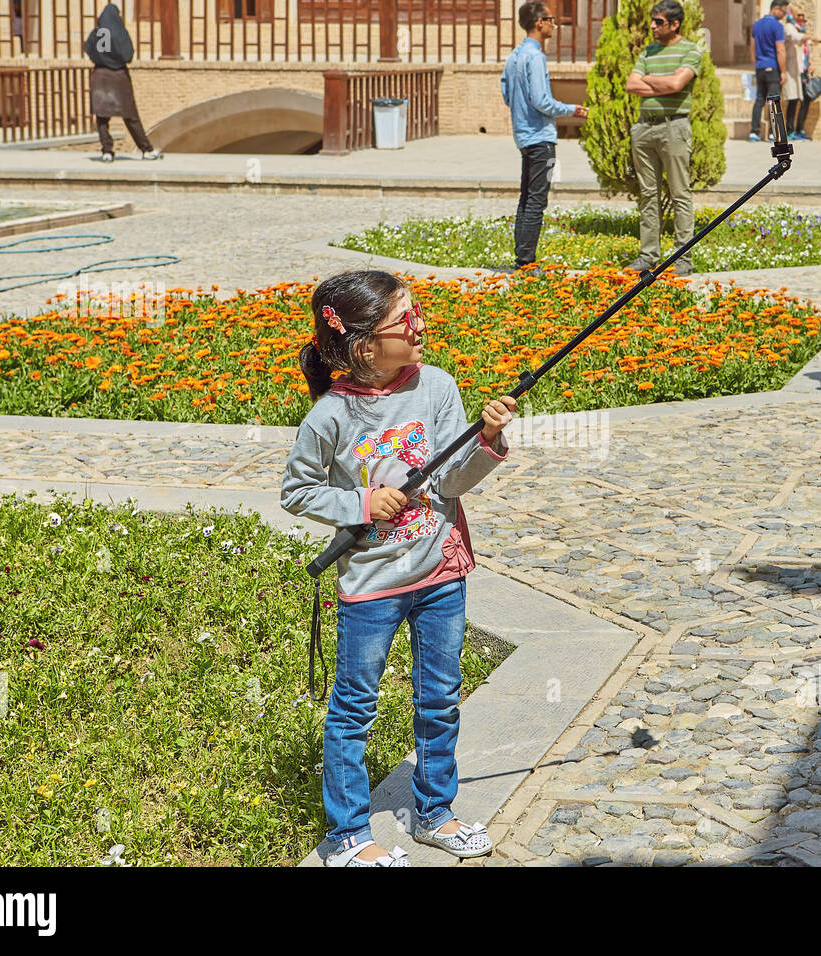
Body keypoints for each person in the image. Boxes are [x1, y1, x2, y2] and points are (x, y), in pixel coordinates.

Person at [281, 270, 517, 867]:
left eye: (417, 314)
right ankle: (347, 837)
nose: (419, 326)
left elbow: (451, 479)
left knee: (439, 698)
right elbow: (298, 491)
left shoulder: (436, 387)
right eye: (403, 321)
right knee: (354, 707)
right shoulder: (330, 415)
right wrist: (361, 504)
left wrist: (486, 440)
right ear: (363, 342)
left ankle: (435, 812)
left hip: (440, 571)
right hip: (371, 585)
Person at [500, 1, 588, 270]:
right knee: (537, 199)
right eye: (551, 19)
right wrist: (572, 109)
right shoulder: (535, 57)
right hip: (541, 137)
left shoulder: (515, 55)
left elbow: (507, 94)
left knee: (526, 197)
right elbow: (542, 100)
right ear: (539, 22)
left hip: (524, 135)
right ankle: (526, 261)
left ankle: (522, 256)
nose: (554, 25)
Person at [625, 0, 703, 276]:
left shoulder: (691, 50)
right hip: (643, 128)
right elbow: (631, 84)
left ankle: (683, 258)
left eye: (658, 21)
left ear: (674, 24)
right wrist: (664, 83)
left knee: (679, 194)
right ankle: (648, 256)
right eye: (652, 21)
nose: (652, 26)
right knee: (648, 195)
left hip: (674, 128)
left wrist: (650, 80)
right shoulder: (648, 50)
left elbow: (677, 84)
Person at [84, 3, 161, 162]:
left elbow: (88, 49)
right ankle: (146, 149)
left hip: (100, 76)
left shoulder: (96, 33)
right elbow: (128, 55)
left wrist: (101, 59)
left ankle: (106, 151)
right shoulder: (118, 32)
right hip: (118, 77)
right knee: (130, 115)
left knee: (102, 117)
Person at [749, 1, 788, 143]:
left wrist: (757, 64)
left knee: (759, 100)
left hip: (760, 67)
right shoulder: (777, 26)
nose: (784, 15)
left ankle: (754, 132)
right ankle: (774, 134)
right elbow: (780, 50)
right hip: (773, 68)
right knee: (773, 102)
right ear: (776, 9)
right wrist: (783, 72)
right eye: (783, 11)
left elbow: (752, 48)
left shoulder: (756, 24)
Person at [780, 5, 807, 140]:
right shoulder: (789, 28)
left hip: (800, 70)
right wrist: (809, 37)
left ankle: (797, 129)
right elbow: (795, 37)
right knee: (792, 100)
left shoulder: (800, 29)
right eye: (798, 15)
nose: (801, 18)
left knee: (799, 100)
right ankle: (789, 130)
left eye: (803, 15)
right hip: (790, 70)